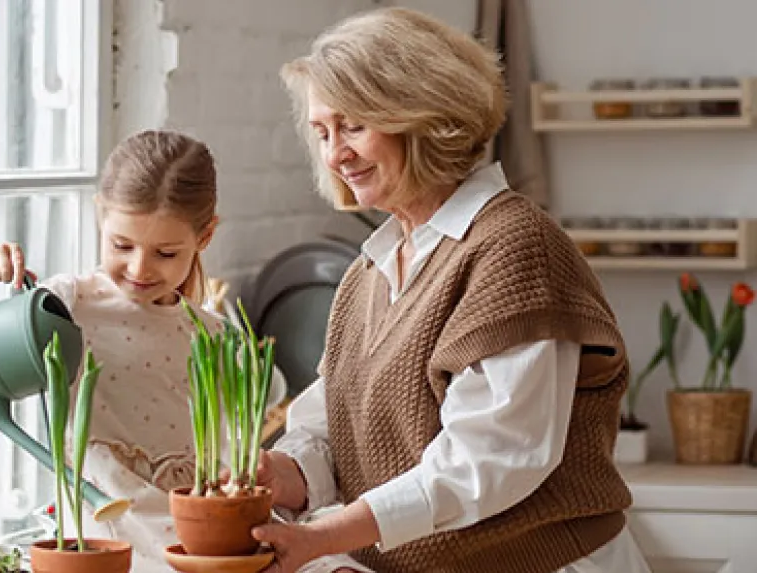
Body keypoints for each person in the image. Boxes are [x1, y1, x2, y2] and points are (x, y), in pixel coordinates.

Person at [248, 8, 653, 573]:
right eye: (322, 133)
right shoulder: (370, 270)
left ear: (423, 116)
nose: (335, 154)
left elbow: (490, 459)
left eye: (353, 126)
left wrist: (324, 537)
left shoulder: (514, 249)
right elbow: (334, 430)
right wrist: (281, 475)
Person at [0, 129, 229, 572]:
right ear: (100, 216)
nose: (139, 268)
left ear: (205, 236)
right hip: (99, 543)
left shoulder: (213, 335)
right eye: (122, 245)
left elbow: (226, 455)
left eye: (165, 253)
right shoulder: (67, 307)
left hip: (192, 542)